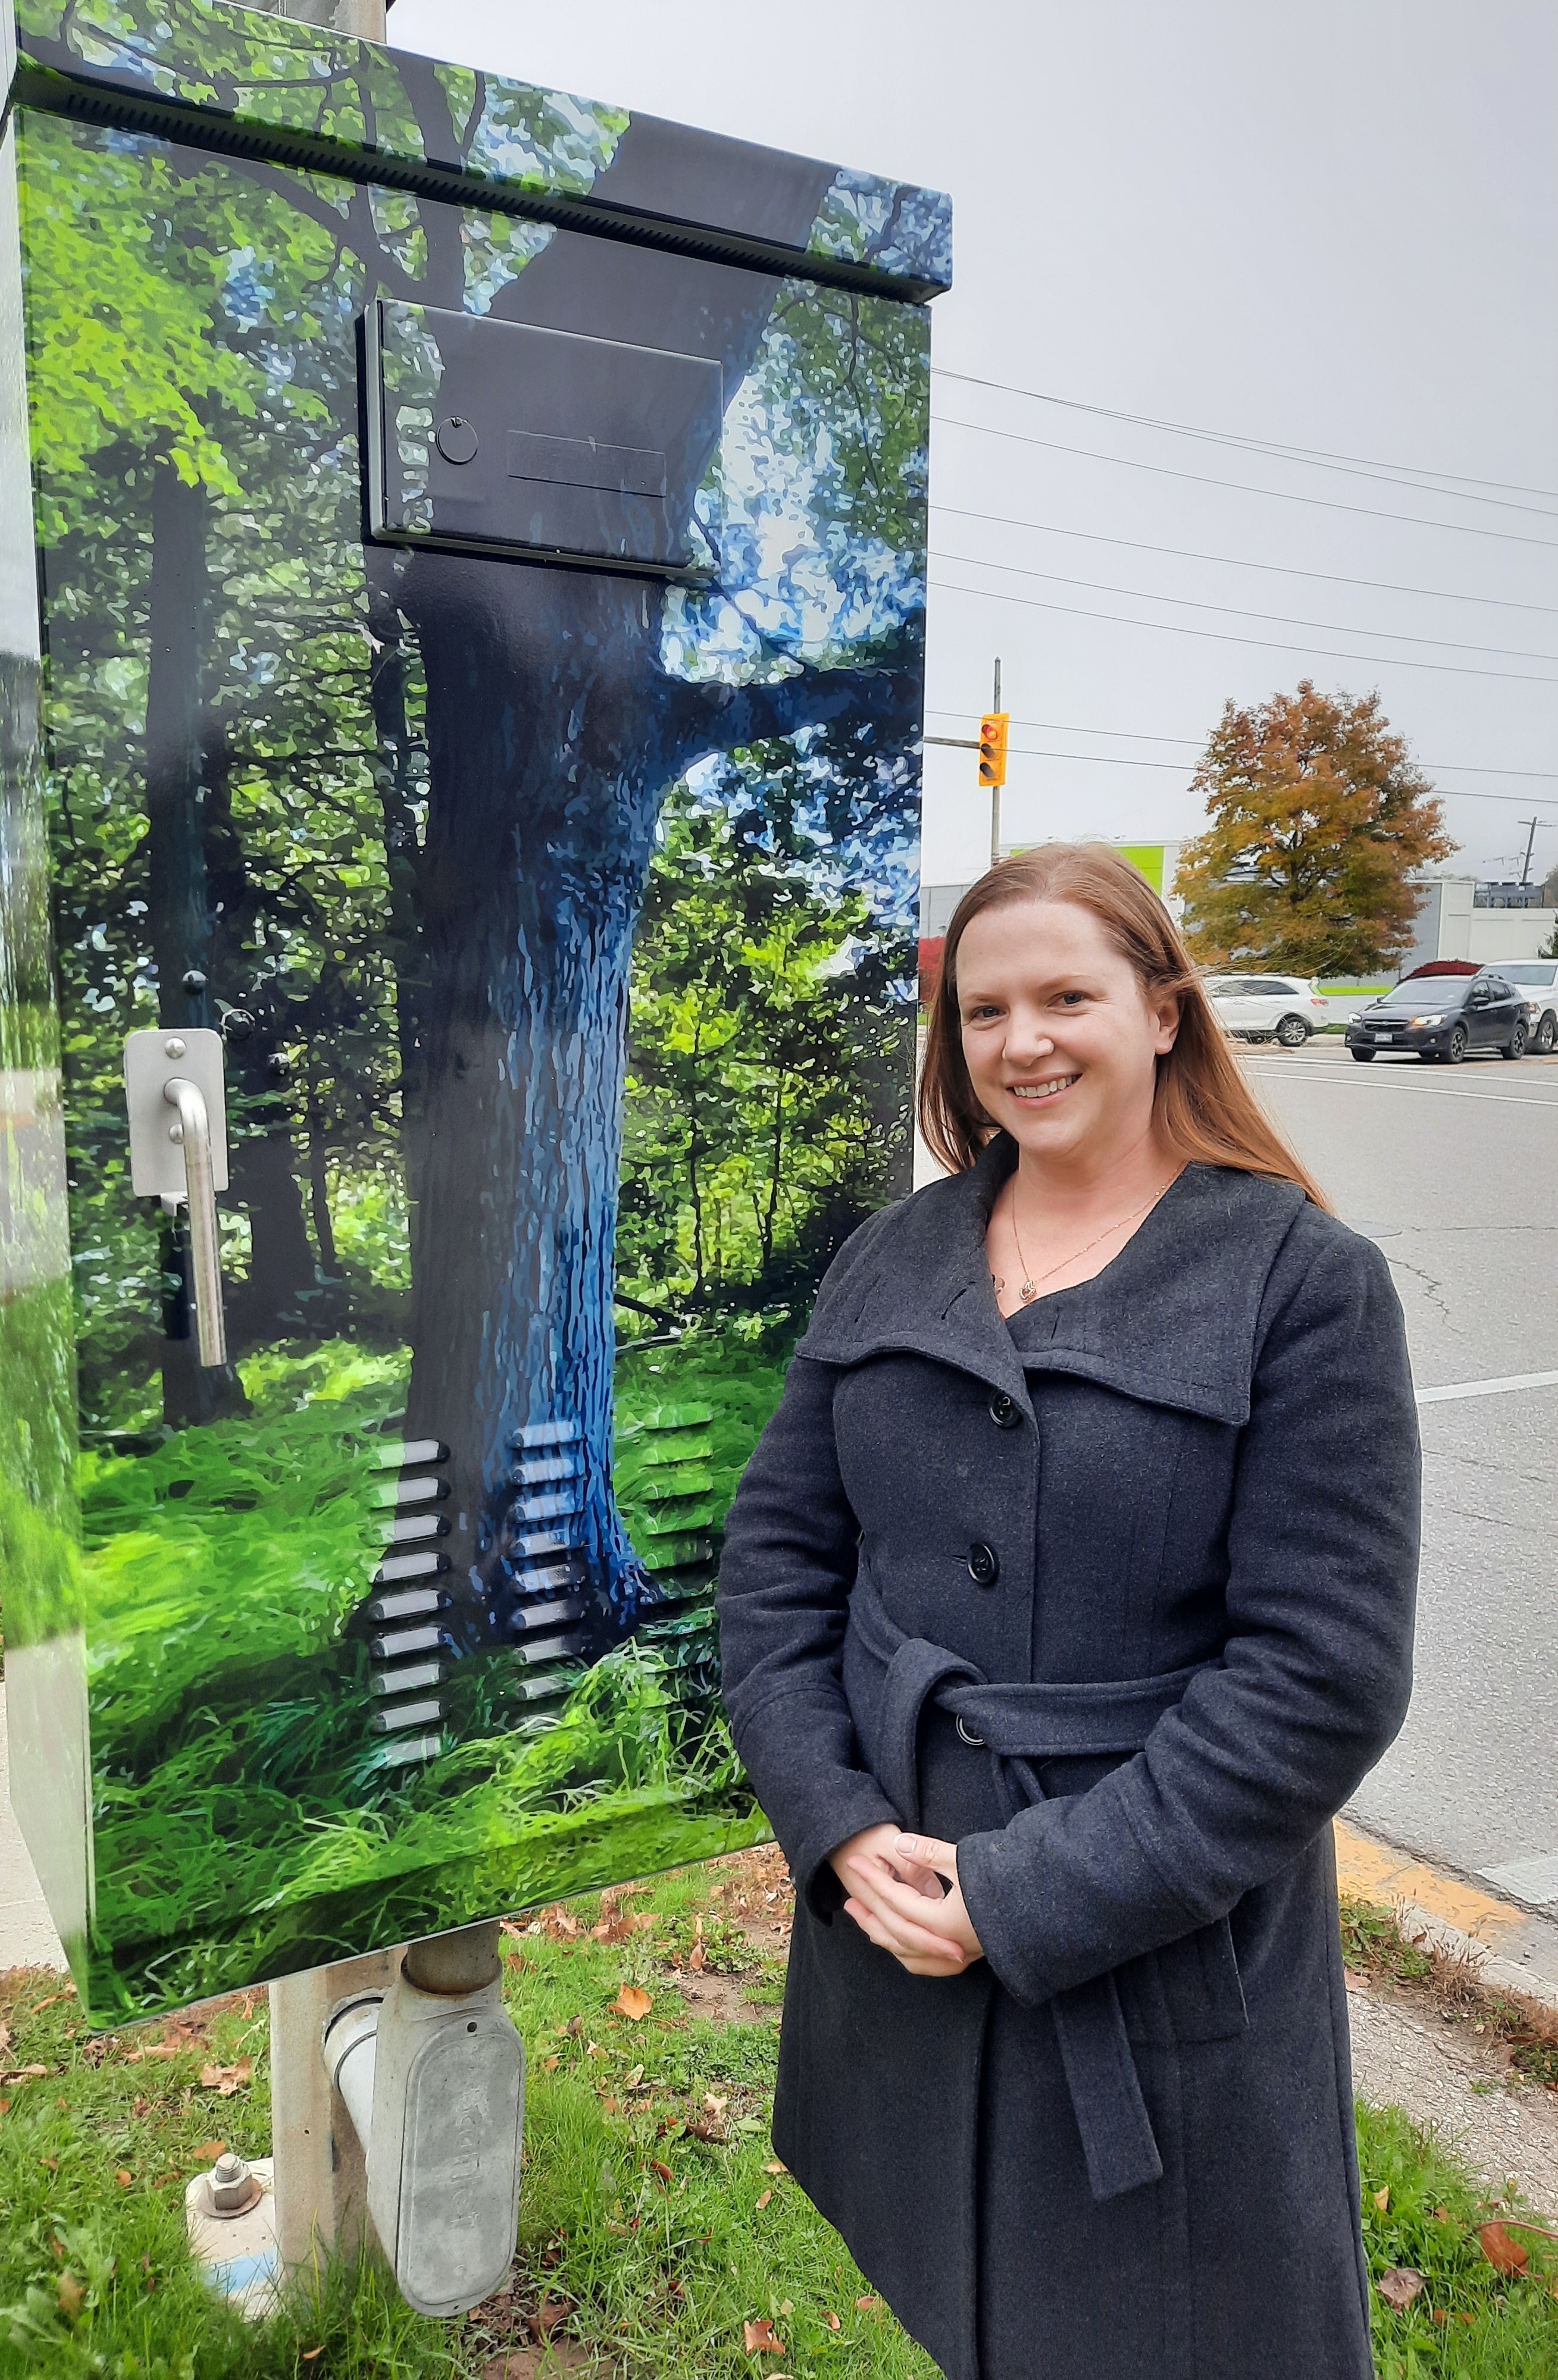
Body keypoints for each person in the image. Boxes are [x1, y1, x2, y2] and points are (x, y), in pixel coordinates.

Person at [717, 843, 1419, 2380]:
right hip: (896, 1925)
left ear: (1163, 1011)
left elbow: (1320, 1681)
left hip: (1155, 1959)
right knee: (965, 2307)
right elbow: (774, 1565)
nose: (1020, 1042)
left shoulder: (1301, 1288)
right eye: (984, 1013)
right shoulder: (893, 1257)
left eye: (1065, 997)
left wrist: (1020, 1899)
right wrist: (835, 1824)